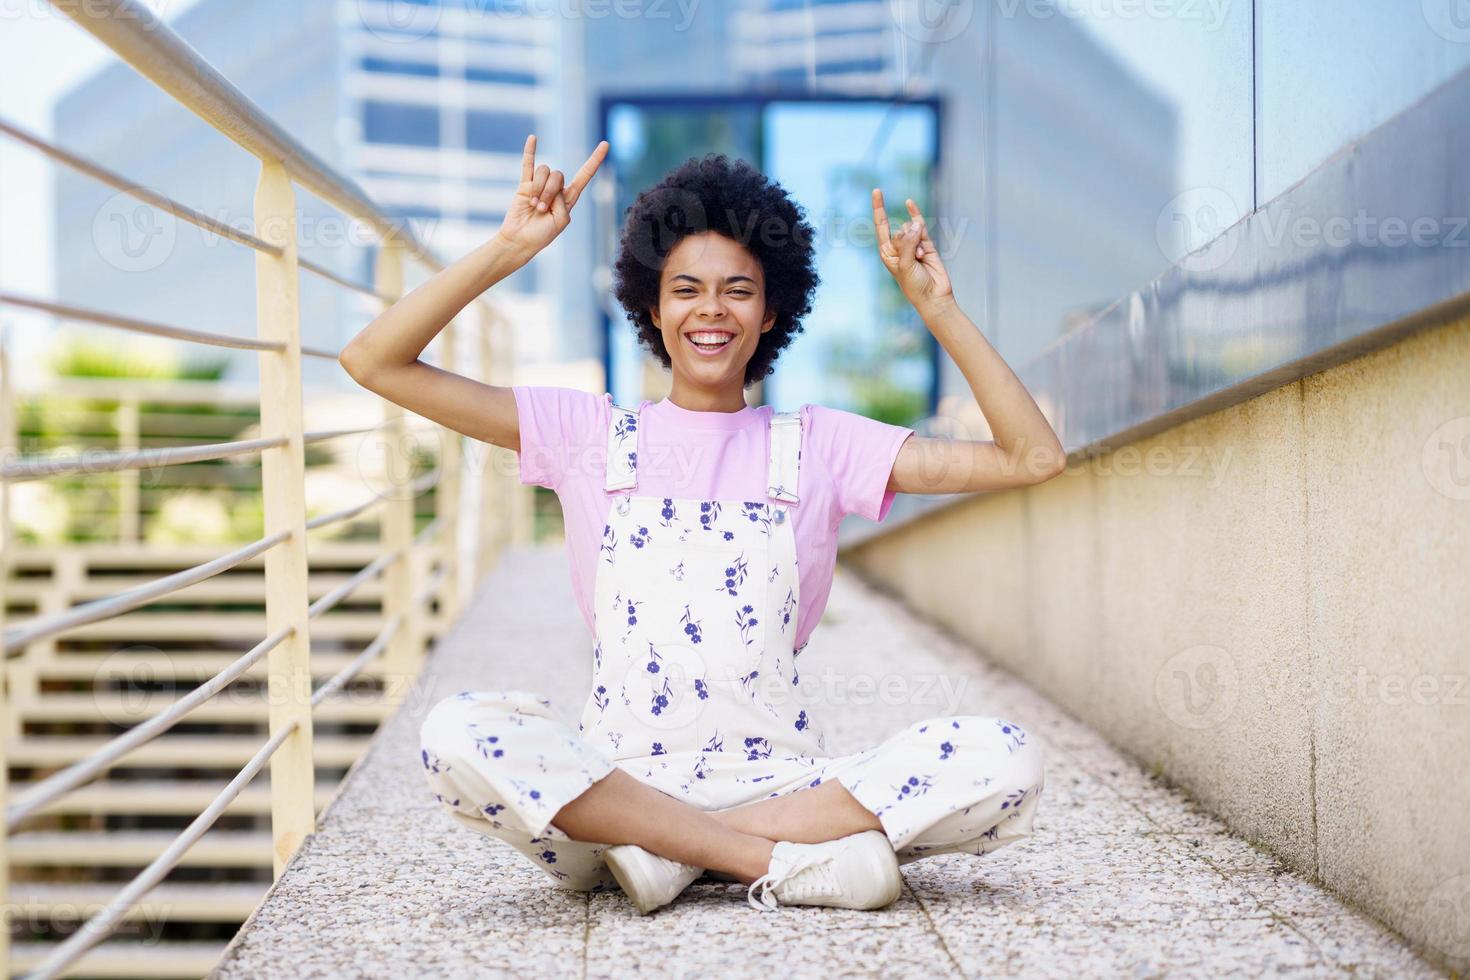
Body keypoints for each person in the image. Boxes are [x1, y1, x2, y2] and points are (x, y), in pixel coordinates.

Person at [340, 134, 1067, 915]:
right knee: (457, 730)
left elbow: (1031, 458)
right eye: (686, 289)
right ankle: (752, 859)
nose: (711, 311)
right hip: (610, 792)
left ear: (772, 310)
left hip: (782, 789)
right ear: (653, 307)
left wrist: (939, 310)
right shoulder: (584, 433)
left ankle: (671, 857)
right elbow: (374, 361)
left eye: (738, 291)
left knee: (1007, 758)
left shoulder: (820, 444)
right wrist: (509, 249)